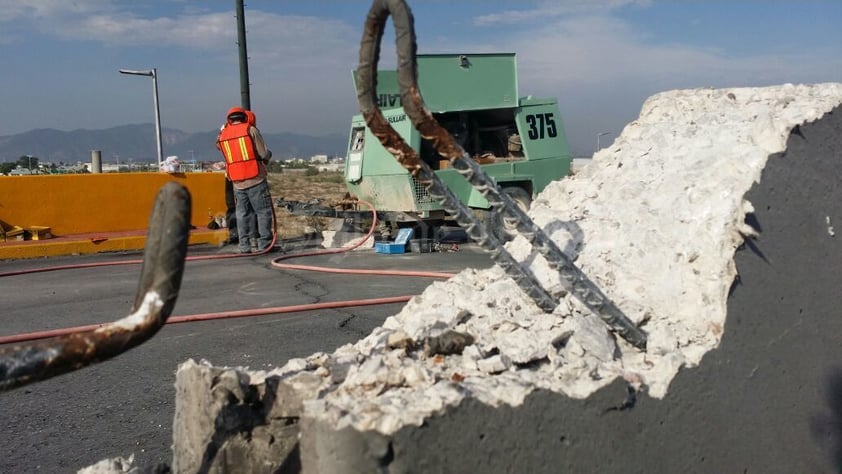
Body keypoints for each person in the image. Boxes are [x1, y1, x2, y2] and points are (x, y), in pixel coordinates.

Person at [215, 106, 274, 253]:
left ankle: (244, 245)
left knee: (242, 213)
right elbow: (263, 153)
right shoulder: (250, 130)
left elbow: (219, 147)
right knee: (263, 211)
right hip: (255, 178)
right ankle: (265, 243)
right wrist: (268, 156)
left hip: (237, 181)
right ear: (244, 117)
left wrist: (224, 129)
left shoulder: (223, 135)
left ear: (229, 119)